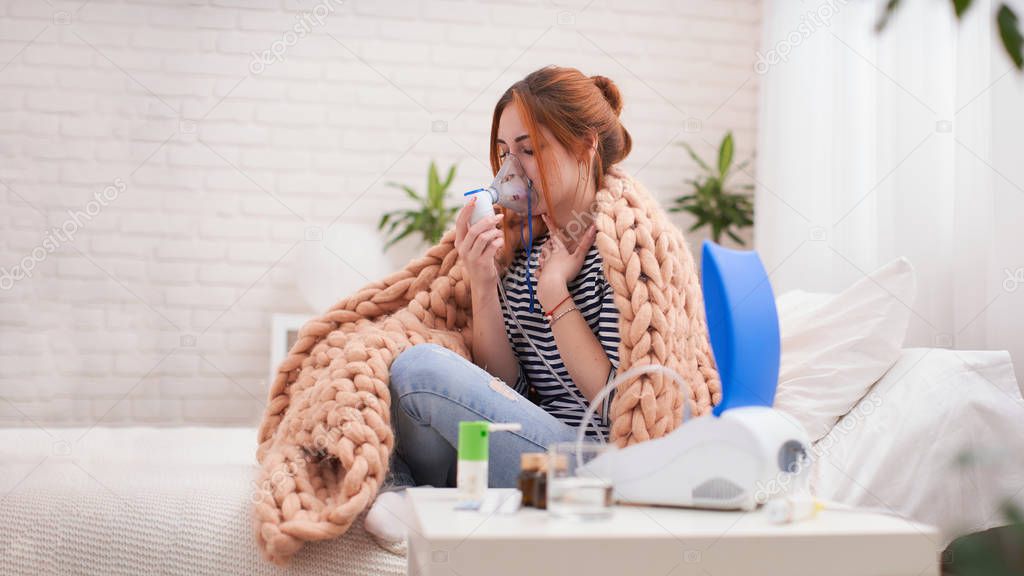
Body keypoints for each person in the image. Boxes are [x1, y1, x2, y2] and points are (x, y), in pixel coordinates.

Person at [365, 66, 632, 545]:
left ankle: (410, 490)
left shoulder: (621, 251)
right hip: (528, 447)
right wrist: (484, 284)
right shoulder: (522, 248)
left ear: (585, 147)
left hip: (595, 464)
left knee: (421, 370)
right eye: (506, 153)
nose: (511, 170)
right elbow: (510, 388)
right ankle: (419, 493)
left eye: (529, 150)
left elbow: (620, 406)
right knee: (383, 363)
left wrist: (556, 294)